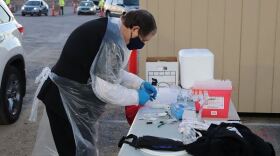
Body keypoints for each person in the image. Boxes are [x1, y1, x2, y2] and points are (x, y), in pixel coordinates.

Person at [36, 10, 157, 156]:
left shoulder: (112, 30)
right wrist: (136, 96)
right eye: (143, 40)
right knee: (73, 150)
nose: (141, 44)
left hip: (74, 99)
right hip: (64, 100)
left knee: (83, 149)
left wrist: (139, 84)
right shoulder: (110, 40)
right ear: (135, 29)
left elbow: (112, 72)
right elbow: (105, 89)